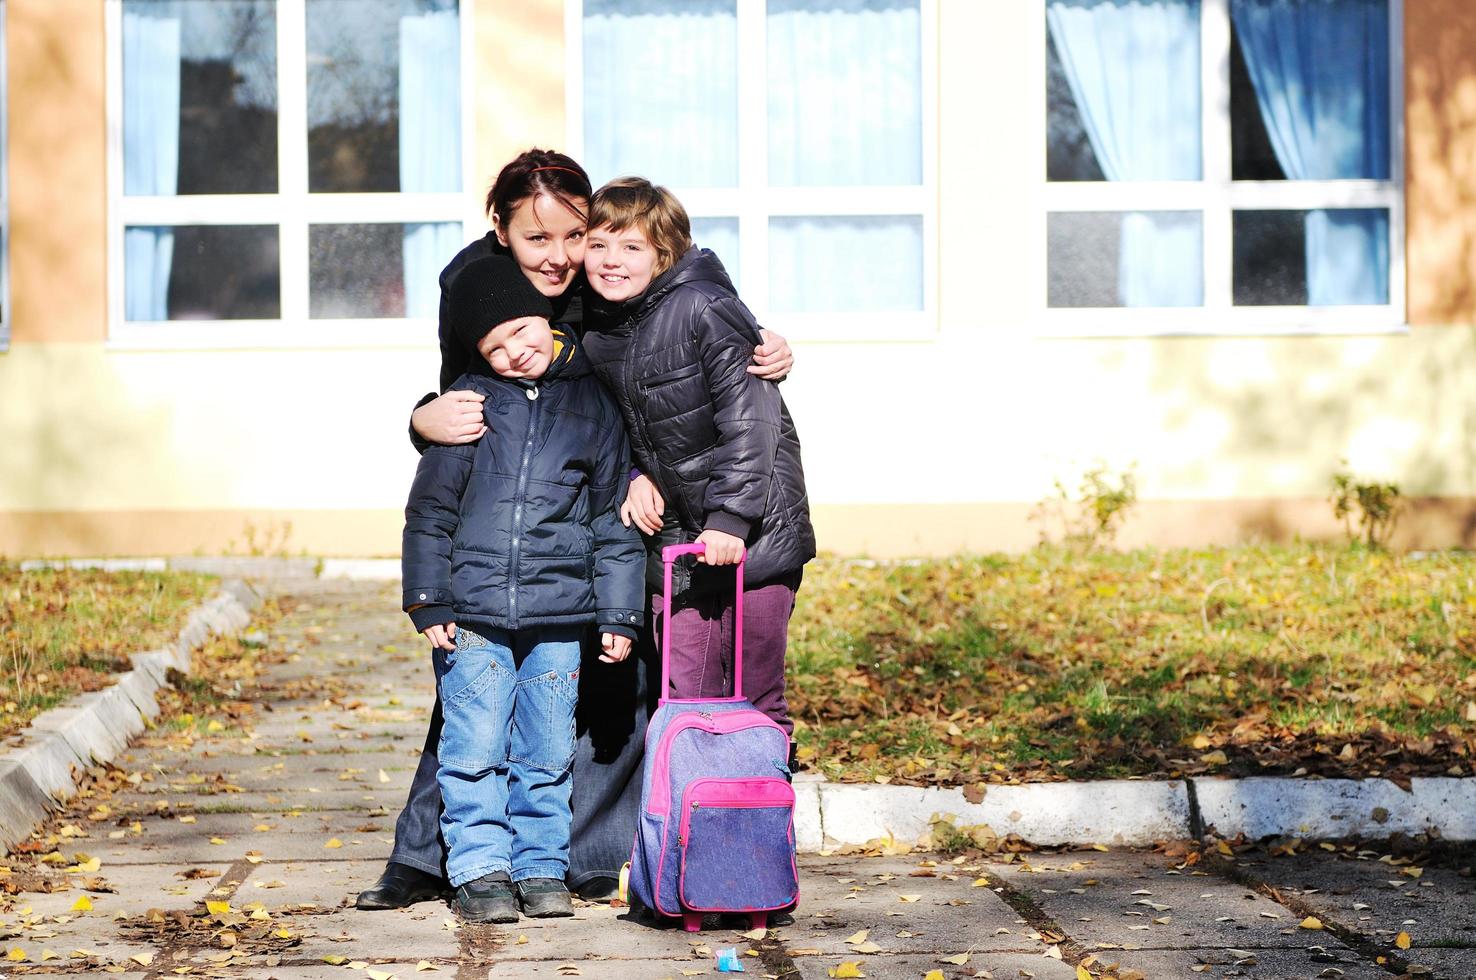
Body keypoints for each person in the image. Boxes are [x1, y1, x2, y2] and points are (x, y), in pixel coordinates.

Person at [357, 149, 795, 911]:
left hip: (612, 505)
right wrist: (420, 418)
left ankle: (587, 853)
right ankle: (426, 854)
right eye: (537, 240)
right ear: (501, 229)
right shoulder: (473, 282)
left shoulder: (603, 278)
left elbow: (683, 325)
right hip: (511, 528)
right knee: (473, 693)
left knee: (611, 677)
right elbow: (466, 392)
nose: (560, 258)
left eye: (575, 235)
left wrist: (768, 349)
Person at [400, 254, 643, 922]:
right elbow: (430, 513)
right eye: (493, 345)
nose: (513, 351)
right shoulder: (469, 406)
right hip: (473, 615)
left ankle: (539, 868)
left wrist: (619, 613)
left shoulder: (594, 406)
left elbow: (610, 521)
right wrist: (427, 600)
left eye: (519, 331)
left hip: (560, 619)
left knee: (547, 750)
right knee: (473, 747)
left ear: (544, 316)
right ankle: (480, 870)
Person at [581, 176, 815, 740]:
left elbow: (750, 420)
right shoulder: (598, 329)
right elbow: (612, 427)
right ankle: (698, 826)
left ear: (665, 254)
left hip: (753, 536)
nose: (612, 261)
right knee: (685, 698)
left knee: (756, 698)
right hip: (679, 544)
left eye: (631, 247)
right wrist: (632, 476)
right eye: (598, 244)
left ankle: (762, 821)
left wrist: (730, 519)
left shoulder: (703, 308)